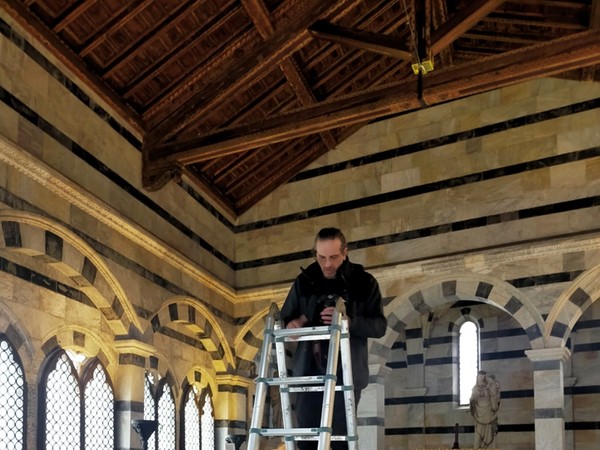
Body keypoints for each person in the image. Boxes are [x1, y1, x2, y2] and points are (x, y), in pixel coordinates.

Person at [280, 227, 387, 449]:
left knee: (341, 441)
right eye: (321, 257)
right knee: (306, 440)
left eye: (333, 257)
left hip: (346, 375)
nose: (327, 264)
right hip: (308, 374)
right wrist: (296, 323)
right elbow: (285, 321)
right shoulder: (303, 281)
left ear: (345, 252)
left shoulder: (364, 282)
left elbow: (379, 326)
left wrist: (349, 322)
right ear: (314, 254)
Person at [469, 371, 501, 449]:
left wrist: (495, 388)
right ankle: (478, 447)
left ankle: (489, 448)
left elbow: (494, 395)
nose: (481, 377)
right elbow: (473, 399)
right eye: (479, 376)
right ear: (477, 377)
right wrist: (472, 401)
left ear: (484, 377)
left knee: (489, 431)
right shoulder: (475, 388)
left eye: (482, 376)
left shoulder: (488, 386)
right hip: (479, 412)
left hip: (489, 411)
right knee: (478, 433)